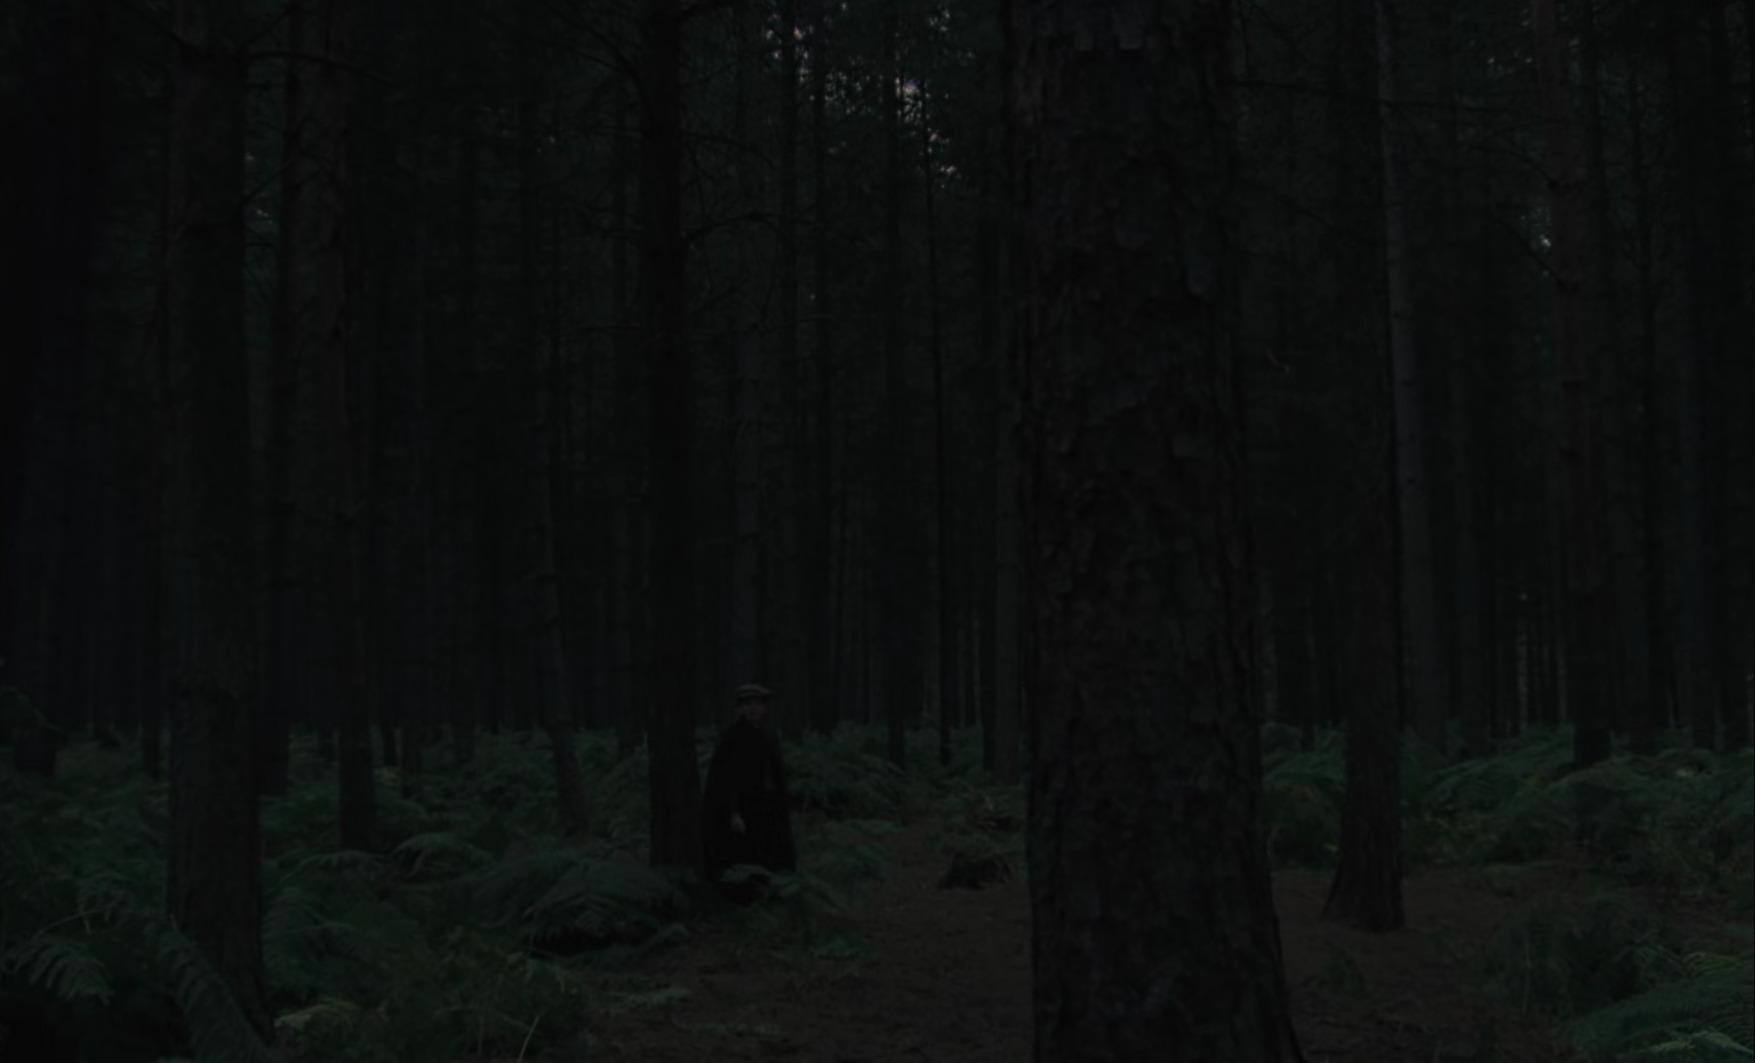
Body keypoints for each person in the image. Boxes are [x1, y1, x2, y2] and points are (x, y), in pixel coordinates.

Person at [700, 683, 796, 886]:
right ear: (739, 709)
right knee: (745, 858)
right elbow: (724, 779)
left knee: (769, 854)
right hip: (745, 809)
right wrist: (733, 812)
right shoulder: (732, 738)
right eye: (747, 704)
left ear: (764, 708)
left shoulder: (768, 735)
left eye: (757, 703)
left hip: (768, 807)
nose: (753, 708)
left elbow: (775, 773)